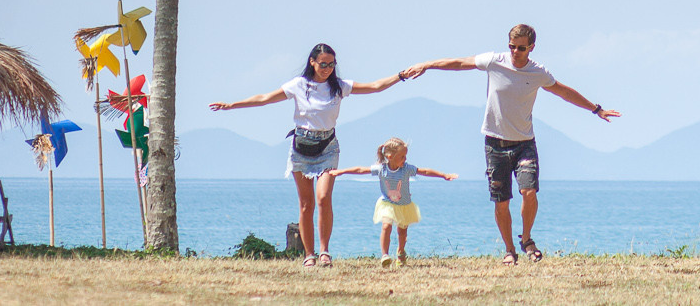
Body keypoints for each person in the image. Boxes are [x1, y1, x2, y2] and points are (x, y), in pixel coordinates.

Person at [406, 23, 619, 264]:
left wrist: (596, 109)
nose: (515, 52)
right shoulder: (494, 61)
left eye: (521, 48)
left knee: (529, 192)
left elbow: (563, 92)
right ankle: (509, 250)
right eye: (511, 46)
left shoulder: (538, 73)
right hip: (495, 144)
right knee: (501, 201)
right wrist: (426, 65)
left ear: (531, 48)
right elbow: (458, 62)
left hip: (524, 144)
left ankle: (526, 239)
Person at [209, 43, 416, 267]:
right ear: (312, 62)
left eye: (331, 64)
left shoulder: (338, 87)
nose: (327, 68)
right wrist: (231, 105)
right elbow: (265, 98)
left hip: (328, 147)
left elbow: (375, 86)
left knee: (323, 198)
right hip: (301, 148)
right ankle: (309, 254)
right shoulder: (300, 85)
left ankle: (324, 251)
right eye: (323, 64)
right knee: (306, 204)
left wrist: (400, 76)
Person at [329, 136, 456, 267]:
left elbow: (424, 171)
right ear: (390, 157)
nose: (405, 159)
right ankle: (385, 255)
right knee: (386, 226)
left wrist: (444, 175)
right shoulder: (382, 169)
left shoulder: (406, 169)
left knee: (402, 232)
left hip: (404, 205)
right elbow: (361, 170)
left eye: (405, 156)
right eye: (402, 157)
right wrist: (341, 171)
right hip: (387, 204)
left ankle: (401, 252)